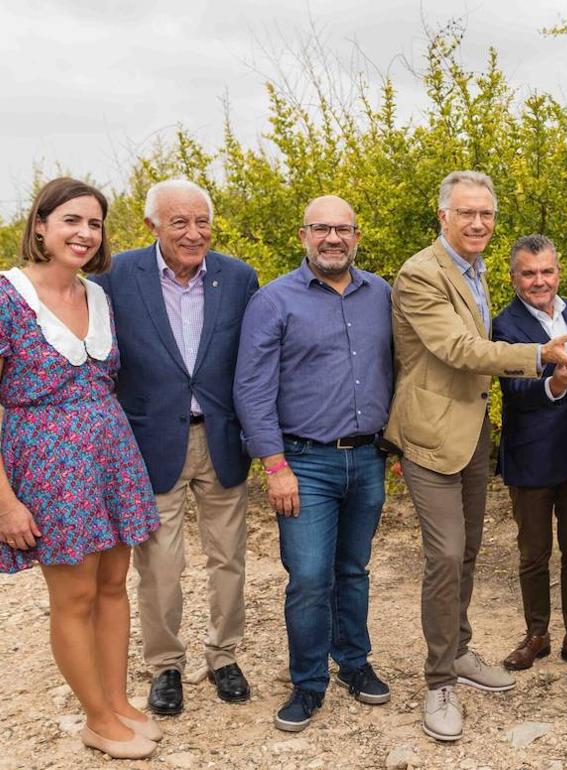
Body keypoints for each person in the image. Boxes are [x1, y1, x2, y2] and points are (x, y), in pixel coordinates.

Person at [385, 171, 567, 743]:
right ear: (443, 217)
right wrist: (540, 355)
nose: (478, 223)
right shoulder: (422, 272)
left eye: (487, 215)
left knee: (469, 551)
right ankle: (437, 683)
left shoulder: (472, 271)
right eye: (467, 213)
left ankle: (461, 652)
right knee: (447, 555)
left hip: (472, 433)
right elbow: (458, 349)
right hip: (430, 432)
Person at [0, 178, 161, 759]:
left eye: (93, 224)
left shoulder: (98, 296)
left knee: (114, 586)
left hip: (109, 456)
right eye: (71, 220)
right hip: (47, 464)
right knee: (73, 598)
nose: (84, 234)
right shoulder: (6, 296)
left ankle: (116, 701)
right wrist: (5, 501)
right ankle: (96, 718)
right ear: (39, 225)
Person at [93, 179, 259, 717]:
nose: (193, 233)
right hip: (150, 441)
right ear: (152, 226)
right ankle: (165, 664)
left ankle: (224, 654)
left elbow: (251, 361)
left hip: (221, 437)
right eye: (179, 222)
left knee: (228, 557)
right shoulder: (115, 278)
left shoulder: (238, 277)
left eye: (202, 221)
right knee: (161, 565)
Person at [234, 196, 393, 733]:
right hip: (303, 462)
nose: (333, 238)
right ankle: (307, 682)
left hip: (368, 458)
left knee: (353, 569)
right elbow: (251, 388)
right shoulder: (274, 300)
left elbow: (397, 370)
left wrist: (393, 443)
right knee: (307, 578)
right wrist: (274, 465)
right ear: (303, 234)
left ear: (357, 235)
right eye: (321, 228)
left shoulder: (381, 295)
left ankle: (353, 662)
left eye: (343, 229)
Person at [492, 235, 567, 677]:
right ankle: (537, 634)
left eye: (547, 271)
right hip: (532, 457)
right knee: (534, 553)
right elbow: (515, 392)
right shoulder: (505, 325)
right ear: (514, 277)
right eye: (529, 273)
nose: (540, 281)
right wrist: (559, 382)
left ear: (558, 271)